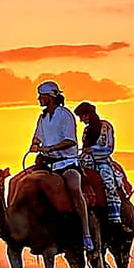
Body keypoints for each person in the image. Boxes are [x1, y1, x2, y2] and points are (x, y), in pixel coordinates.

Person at [29, 81, 94, 251]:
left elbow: (70, 140)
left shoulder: (65, 115)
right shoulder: (42, 118)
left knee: (74, 188)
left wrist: (50, 148)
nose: (39, 99)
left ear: (50, 97)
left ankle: (86, 233)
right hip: (47, 164)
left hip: (66, 163)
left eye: (42, 96)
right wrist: (35, 144)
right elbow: (38, 136)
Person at [74, 101, 125, 227]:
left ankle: (116, 218)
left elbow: (109, 147)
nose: (82, 120)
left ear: (89, 114)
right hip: (85, 161)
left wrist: (92, 150)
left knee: (108, 182)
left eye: (83, 116)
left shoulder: (105, 127)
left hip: (102, 161)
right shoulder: (86, 130)